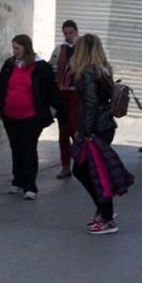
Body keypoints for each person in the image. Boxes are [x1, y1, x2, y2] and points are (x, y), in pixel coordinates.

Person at [69, 34, 133, 234]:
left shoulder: (88, 72)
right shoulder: (103, 69)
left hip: (95, 128)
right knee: (90, 171)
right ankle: (104, 210)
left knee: (90, 172)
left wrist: (85, 131)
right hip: (104, 126)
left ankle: (106, 218)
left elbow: (90, 103)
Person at [0, 34, 66, 200]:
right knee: (16, 147)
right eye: (13, 48)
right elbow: (0, 89)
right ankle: (17, 181)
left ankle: (30, 186)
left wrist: (60, 110)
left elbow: (51, 90)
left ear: (26, 47)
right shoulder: (9, 65)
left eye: (17, 48)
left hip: (31, 116)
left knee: (29, 148)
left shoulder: (40, 67)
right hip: (10, 114)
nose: (14, 51)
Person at [49, 20, 81, 179]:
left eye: (71, 32)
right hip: (62, 94)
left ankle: (83, 162)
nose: (69, 35)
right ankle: (66, 166)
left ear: (76, 31)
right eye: (66, 33)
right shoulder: (59, 49)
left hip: (78, 95)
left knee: (75, 130)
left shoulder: (84, 49)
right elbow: (51, 68)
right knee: (63, 131)